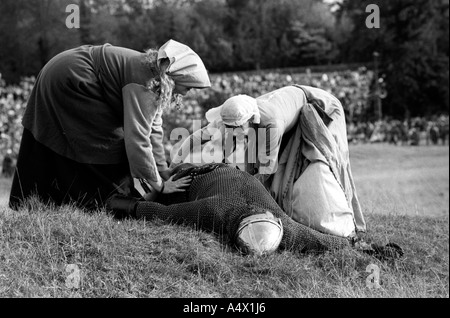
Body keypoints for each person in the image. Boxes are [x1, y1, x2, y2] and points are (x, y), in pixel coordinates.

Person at [9, 39, 210, 211]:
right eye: (188, 87)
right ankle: (102, 202)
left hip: (64, 70)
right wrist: (158, 185)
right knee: (108, 145)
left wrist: (162, 171)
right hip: (72, 78)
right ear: (174, 77)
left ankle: (63, 199)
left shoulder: (154, 77)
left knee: (114, 144)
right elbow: (138, 139)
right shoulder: (145, 84)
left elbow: (153, 129)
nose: (187, 93)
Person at [172, 85, 366, 238]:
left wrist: (241, 188)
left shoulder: (271, 124)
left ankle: (350, 223)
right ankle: (269, 209)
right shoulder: (231, 113)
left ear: (249, 120)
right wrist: (172, 165)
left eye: (237, 128)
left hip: (320, 107)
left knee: (322, 164)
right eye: (229, 127)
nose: (233, 132)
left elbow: (267, 169)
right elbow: (195, 138)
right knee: (252, 162)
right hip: (285, 109)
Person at [106, 163, 403, 259]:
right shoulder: (213, 210)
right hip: (193, 174)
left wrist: (374, 250)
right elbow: (160, 213)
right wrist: (116, 203)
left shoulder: (283, 226)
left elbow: (327, 243)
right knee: (158, 179)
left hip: (231, 173)